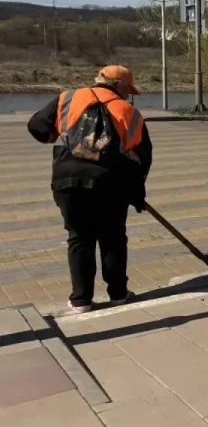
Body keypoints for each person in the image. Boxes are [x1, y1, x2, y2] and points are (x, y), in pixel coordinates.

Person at [27, 65, 152, 314]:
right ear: (119, 85)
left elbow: (36, 126)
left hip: (68, 180)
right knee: (113, 238)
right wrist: (137, 193)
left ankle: (81, 300)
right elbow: (142, 159)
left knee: (79, 238)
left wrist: (57, 136)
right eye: (128, 90)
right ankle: (118, 294)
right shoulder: (130, 113)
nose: (129, 95)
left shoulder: (67, 98)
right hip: (109, 183)